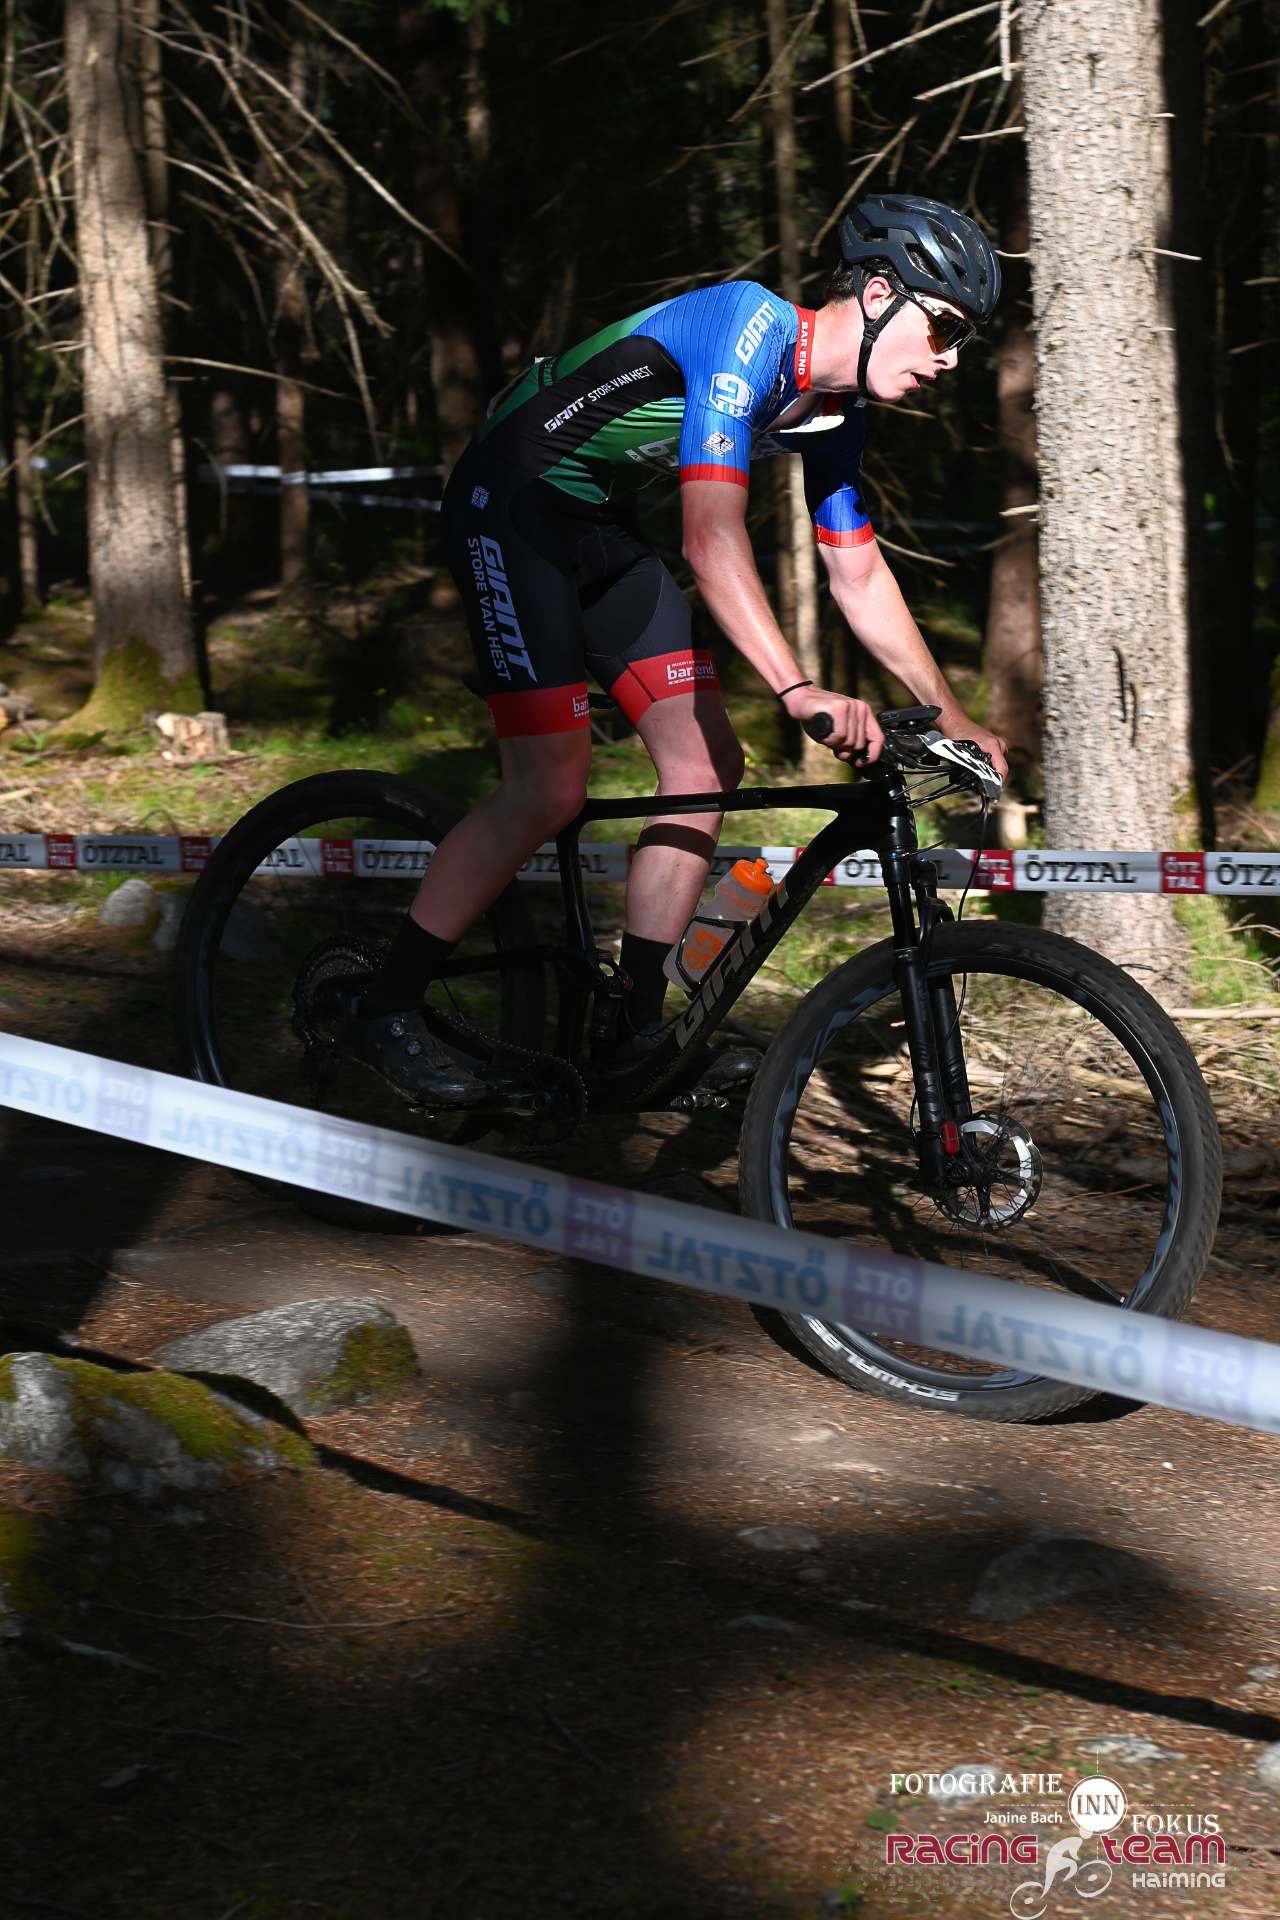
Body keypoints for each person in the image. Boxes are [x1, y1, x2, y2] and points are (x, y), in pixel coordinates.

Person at [342, 193, 1009, 1105]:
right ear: (879, 294)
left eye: (961, 340)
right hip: (511, 503)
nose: (949, 358)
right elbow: (710, 537)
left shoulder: (834, 414)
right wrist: (797, 689)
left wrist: (953, 713)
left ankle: (631, 1029)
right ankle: (384, 1008)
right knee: (550, 785)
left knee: (704, 764)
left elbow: (856, 573)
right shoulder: (748, 328)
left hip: (595, 524)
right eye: (943, 328)